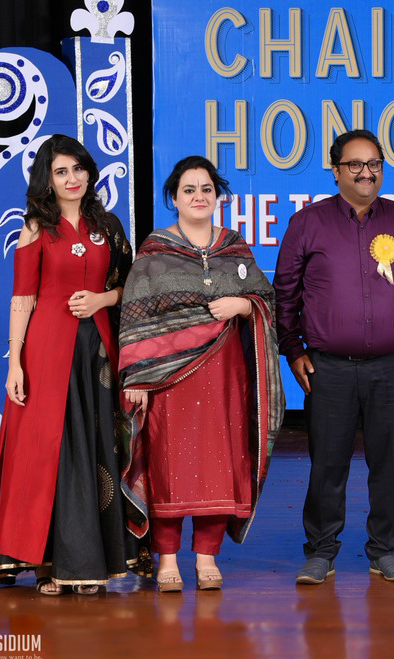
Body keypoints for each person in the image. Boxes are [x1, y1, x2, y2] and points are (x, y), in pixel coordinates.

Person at [274, 129, 394, 584]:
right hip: (327, 367)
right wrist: (292, 349)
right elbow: (284, 293)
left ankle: (385, 551)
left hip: (393, 366)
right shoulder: (307, 223)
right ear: (336, 171)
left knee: (389, 464)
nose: (366, 172)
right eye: (355, 164)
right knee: (326, 464)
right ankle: (320, 551)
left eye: (374, 164)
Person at [0, 134, 140, 595]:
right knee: (50, 453)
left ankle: (92, 563)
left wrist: (102, 299)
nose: (72, 179)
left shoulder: (108, 226)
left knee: (97, 450)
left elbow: (132, 287)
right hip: (46, 352)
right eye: (61, 171)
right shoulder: (35, 228)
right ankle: (48, 563)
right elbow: (22, 298)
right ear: (47, 179)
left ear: (89, 173)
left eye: (78, 169)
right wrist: (14, 363)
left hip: (98, 352)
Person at [119, 156, 284, 592]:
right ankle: (168, 559)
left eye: (206, 189)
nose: (198, 197)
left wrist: (244, 305)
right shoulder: (155, 252)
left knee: (219, 462)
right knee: (168, 464)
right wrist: (137, 376)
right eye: (188, 190)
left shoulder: (234, 248)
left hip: (225, 377)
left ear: (218, 196)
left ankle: (207, 556)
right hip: (168, 379)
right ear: (173, 198)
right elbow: (135, 315)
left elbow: (267, 299)